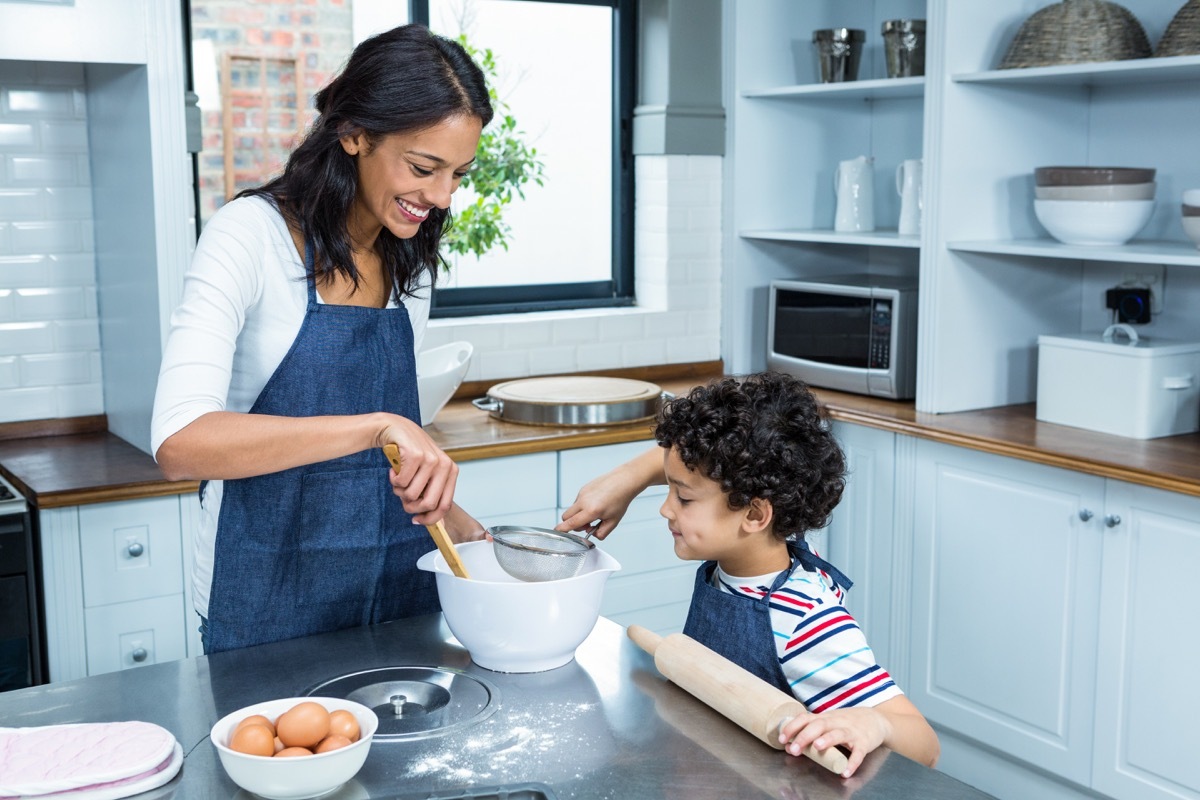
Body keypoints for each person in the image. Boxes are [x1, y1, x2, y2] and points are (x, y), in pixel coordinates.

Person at [150, 24, 491, 654]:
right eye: (424, 168)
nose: (441, 197)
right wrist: (375, 425)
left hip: (396, 595)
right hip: (265, 598)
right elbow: (180, 442)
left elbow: (390, 456)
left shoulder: (408, 266)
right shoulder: (248, 238)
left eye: (457, 175)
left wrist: (461, 525)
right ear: (355, 133)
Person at [557, 372, 939, 777]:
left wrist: (873, 722)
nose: (666, 509)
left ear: (755, 514)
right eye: (669, 490)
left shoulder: (804, 619)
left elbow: (925, 745)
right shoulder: (735, 560)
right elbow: (695, 466)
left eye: (683, 497)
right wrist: (628, 480)